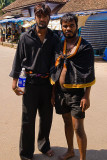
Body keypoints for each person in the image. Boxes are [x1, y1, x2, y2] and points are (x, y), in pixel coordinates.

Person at [9, 3, 60, 160]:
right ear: (35, 17)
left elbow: (57, 62)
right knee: (27, 120)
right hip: (29, 83)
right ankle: (26, 153)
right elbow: (18, 60)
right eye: (39, 16)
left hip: (46, 84)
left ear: (49, 17)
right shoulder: (25, 37)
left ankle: (44, 145)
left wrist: (55, 88)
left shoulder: (54, 38)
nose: (42, 19)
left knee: (46, 118)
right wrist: (15, 81)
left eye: (45, 16)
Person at [51, 13, 95, 160]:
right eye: (65, 26)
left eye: (71, 25)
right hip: (60, 93)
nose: (68, 28)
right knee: (67, 123)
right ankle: (70, 151)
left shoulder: (85, 47)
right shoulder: (59, 45)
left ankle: (83, 158)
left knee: (78, 127)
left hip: (77, 94)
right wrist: (53, 93)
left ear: (76, 26)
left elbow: (88, 73)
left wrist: (86, 96)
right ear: (61, 27)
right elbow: (55, 70)